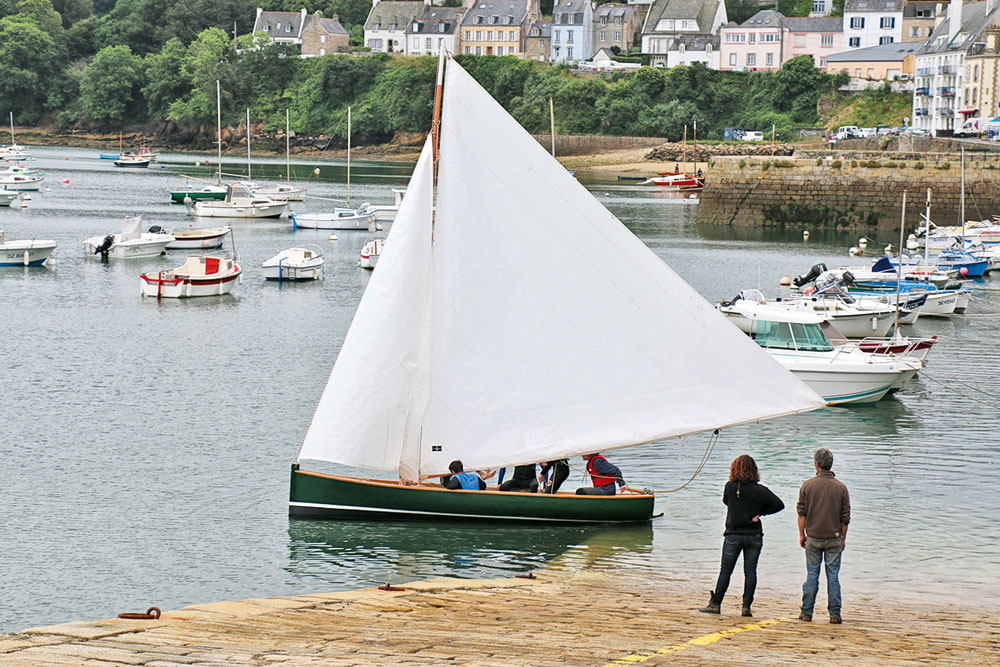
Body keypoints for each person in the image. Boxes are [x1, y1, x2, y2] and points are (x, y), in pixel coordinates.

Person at [699, 454, 784, 618]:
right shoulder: (761, 490)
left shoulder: (730, 487)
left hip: (733, 535)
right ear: (754, 470)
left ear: (735, 469)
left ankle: (715, 604)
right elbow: (779, 505)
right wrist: (761, 513)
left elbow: (726, 502)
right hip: (754, 536)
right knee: (750, 571)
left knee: (726, 570)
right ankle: (746, 607)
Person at [797, 448, 851, 624]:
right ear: (830, 465)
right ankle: (834, 615)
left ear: (816, 464)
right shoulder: (841, 487)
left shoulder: (807, 485)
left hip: (813, 536)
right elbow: (845, 518)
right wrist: (842, 538)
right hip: (834, 536)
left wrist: (802, 535)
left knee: (812, 574)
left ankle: (807, 612)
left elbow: (801, 514)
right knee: (833, 576)